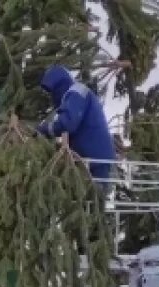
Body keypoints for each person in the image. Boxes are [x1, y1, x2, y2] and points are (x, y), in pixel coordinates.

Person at [36, 65, 116, 197]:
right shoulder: (74, 94)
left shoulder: (75, 93)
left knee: (93, 202)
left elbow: (67, 123)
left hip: (95, 161)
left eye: (52, 91)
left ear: (58, 85)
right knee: (89, 202)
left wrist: (44, 130)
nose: (51, 96)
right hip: (95, 158)